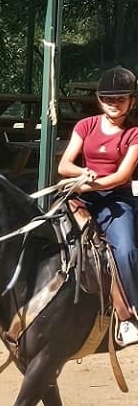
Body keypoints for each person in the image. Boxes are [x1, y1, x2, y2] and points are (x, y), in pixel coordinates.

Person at [57, 65, 138, 347]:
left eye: (120, 99)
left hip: (116, 199)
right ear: (99, 99)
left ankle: (129, 315)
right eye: (107, 99)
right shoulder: (86, 125)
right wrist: (82, 173)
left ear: (132, 101)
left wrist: (88, 185)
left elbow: (122, 176)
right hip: (82, 193)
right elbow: (64, 165)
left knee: (125, 249)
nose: (114, 104)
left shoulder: (134, 133)